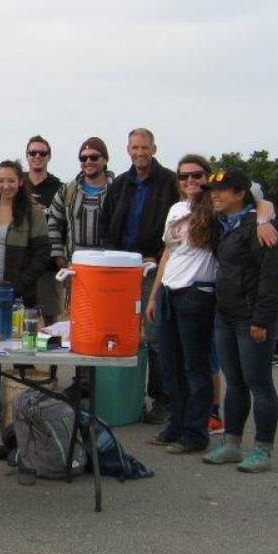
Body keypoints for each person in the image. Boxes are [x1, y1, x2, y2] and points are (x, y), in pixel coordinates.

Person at [201, 168, 278, 473]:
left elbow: (271, 276)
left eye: (223, 190)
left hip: (252, 319)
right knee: (235, 382)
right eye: (213, 190)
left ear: (240, 194)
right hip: (225, 316)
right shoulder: (222, 224)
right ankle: (232, 444)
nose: (216, 194)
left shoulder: (258, 225)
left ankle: (263, 449)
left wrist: (261, 319)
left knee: (259, 384)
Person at [100, 128, 179, 425]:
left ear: (154, 149)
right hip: (121, 269)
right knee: (118, 334)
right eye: (135, 147)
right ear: (128, 150)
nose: (139, 152)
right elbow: (106, 224)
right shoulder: (120, 184)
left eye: (145, 147)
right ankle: (117, 396)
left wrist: (157, 256)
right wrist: (115, 256)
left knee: (155, 335)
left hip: (154, 269)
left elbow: (177, 226)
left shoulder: (170, 183)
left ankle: (162, 398)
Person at [144, 154, 219, 454]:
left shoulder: (215, 207)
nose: (190, 181)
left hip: (197, 294)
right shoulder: (176, 209)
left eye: (197, 175)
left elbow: (255, 199)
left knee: (195, 367)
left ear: (208, 177)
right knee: (170, 367)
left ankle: (194, 433)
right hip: (168, 293)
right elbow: (168, 253)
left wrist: (264, 217)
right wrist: (154, 293)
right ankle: (176, 424)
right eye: (184, 176)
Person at [0, 160, 50, 420]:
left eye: (11, 180)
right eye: (1, 180)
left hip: (19, 289)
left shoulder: (33, 213)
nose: (6, 186)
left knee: (21, 346)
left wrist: (21, 284)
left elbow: (42, 253)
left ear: (20, 181)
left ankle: (25, 402)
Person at [46, 137, 114, 276]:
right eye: (83, 158)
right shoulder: (67, 191)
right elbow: (53, 222)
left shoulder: (118, 191)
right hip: (74, 269)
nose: (88, 161)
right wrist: (59, 258)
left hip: (109, 269)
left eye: (94, 157)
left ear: (105, 160)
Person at [24, 135, 64, 325]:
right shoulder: (17, 184)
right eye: (33, 152)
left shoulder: (60, 188)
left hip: (49, 265)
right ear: (27, 156)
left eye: (42, 153)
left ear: (49, 156)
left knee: (51, 325)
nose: (37, 156)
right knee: (21, 322)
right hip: (22, 264)